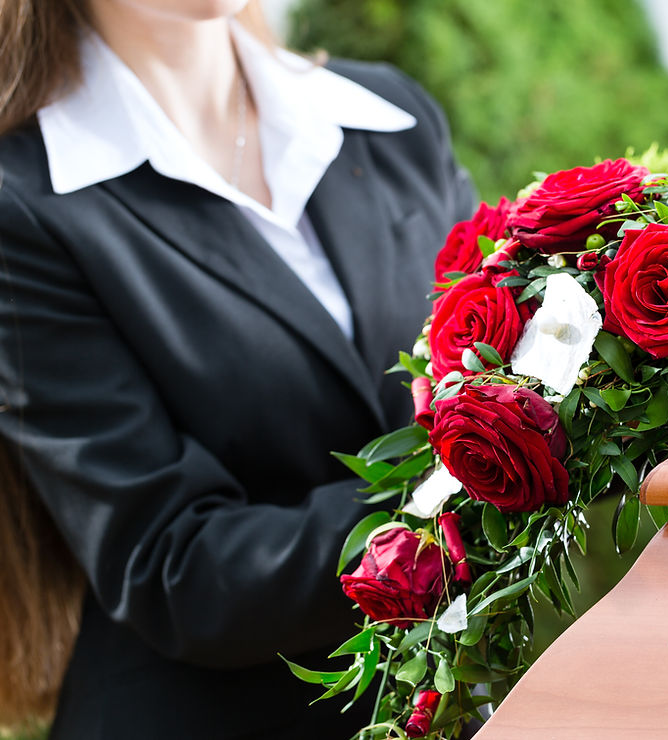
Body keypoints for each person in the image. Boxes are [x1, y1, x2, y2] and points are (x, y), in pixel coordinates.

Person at [0, 1, 474, 738]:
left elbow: (494, 361)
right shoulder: (23, 204)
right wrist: (471, 487)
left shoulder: (389, 114)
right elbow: (174, 567)